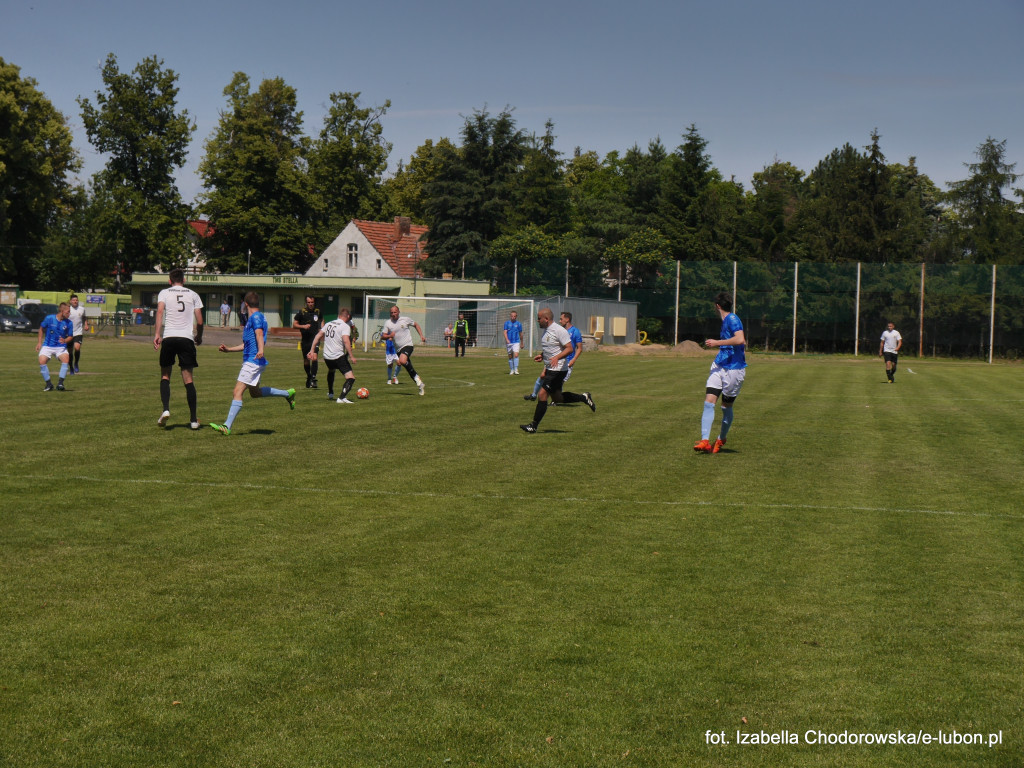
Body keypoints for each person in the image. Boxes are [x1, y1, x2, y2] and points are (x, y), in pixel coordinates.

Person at [210, 292, 296, 435]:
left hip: (253, 362)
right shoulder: (256, 317)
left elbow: (259, 334)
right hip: (254, 360)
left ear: (246, 304)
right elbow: (247, 344)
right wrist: (229, 350)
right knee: (255, 393)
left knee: (237, 392)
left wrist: (261, 350)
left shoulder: (255, 317)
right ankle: (287, 394)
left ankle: (227, 426)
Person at [520, 308, 595, 433]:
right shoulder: (546, 331)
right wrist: (543, 355)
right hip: (551, 368)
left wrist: (557, 358)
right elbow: (553, 348)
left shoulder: (559, 330)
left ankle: (533, 426)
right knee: (557, 398)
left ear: (546, 319)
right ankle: (584, 397)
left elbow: (570, 349)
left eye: (539, 318)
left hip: (559, 369)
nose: (538, 321)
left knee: (542, 394)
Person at [694, 292, 746, 454]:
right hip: (719, 365)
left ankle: (721, 438)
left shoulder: (732, 319)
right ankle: (704, 441)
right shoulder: (725, 320)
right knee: (709, 402)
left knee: (725, 407)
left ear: (717, 306)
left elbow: (740, 339)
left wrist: (717, 343)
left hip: (734, 369)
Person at [154, 269, 204, 429]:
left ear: (170, 281)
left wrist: (157, 334)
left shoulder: (164, 293)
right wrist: (199, 336)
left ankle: (166, 409)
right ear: (184, 279)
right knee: (188, 380)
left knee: (165, 375)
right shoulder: (193, 294)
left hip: (169, 337)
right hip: (186, 338)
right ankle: (194, 420)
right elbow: (200, 321)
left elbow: (160, 312)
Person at [525, 311, 583, 401]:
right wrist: (542, 355)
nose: (559, 321)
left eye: (561, 319)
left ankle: (554, 399)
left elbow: (579, 348)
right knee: (543, 376)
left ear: (567, 319)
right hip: (552, 360)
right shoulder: (556, 330)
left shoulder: (575, 331)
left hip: (565, 361)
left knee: (557, 385)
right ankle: (534, 395)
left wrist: (574, 359)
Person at [307, 307, 359, 403]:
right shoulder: (345, 326)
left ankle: (331, 392)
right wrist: (351, 356)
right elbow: (346, 341)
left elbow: (318, 336)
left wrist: (311, 350)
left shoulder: (328, 324)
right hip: (338, 356)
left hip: (327, 357)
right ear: (347, 316)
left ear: (339, 316)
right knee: (351, 378)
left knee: (331, 370)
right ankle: (342, 398)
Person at [381, 304, 426, 395]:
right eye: (391, 312)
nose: (393, 314)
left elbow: (416, 325)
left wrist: (421, 335)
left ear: (398, 312)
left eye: (395, 312)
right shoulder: (388, 323)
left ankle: (418, 379)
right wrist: (389, 336)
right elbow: (383, 336)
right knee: (407, 366)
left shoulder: (405, 319)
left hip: (408, 345)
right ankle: (419, 382)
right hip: (398, 349)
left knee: (402, 361)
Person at [36, 302, 73, 391]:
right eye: (68, 311)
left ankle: (60, 384)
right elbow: (41, 329)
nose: (69, 313)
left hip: (60, 347)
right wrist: (39, 342)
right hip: (48, 345)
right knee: (42, 361)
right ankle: (49, 384)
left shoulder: (69, 323)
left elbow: (70, 336)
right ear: (62, 311)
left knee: (66, 360)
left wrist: (65, 340)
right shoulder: (49, 318)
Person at [293, 295, 323, 389]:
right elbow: (294, 324)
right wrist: (303, 326)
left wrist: (322, 329)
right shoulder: (302, 312)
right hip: (305, 340)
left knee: (314, 357)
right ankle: (309, 376)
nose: (310, 304)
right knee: (306, 361)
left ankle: (313, 379)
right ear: (306, 302)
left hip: (315, 339)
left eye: (312, 302)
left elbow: (322, 320)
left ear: (314, 302)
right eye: (309, 302)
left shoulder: (318, 311)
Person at [66, 293, 90, 374]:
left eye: (76, 300)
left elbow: (84, 317)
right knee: (69, 352)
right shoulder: (68, 309)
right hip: (68, 333)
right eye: (73, 300)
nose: (75, 301)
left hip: (78, 332)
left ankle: (76, 363)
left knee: (77, 348)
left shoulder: (82, 309)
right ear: (70, 301)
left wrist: (86, 324)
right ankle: (71, 367)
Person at [503, 310, 524, 374]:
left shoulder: (519, 324)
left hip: (516, 342)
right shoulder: (506, 323)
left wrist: (522, 342)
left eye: (514, 316)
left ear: (516, 316)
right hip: (509, 342)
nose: (513, 317)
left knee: (516, 355)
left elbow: (521, 333)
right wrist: (507, 339)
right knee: (510, 356)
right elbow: (505, 332)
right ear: (510, 316)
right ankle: (511, 370)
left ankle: (516, 369)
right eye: (512, 316)